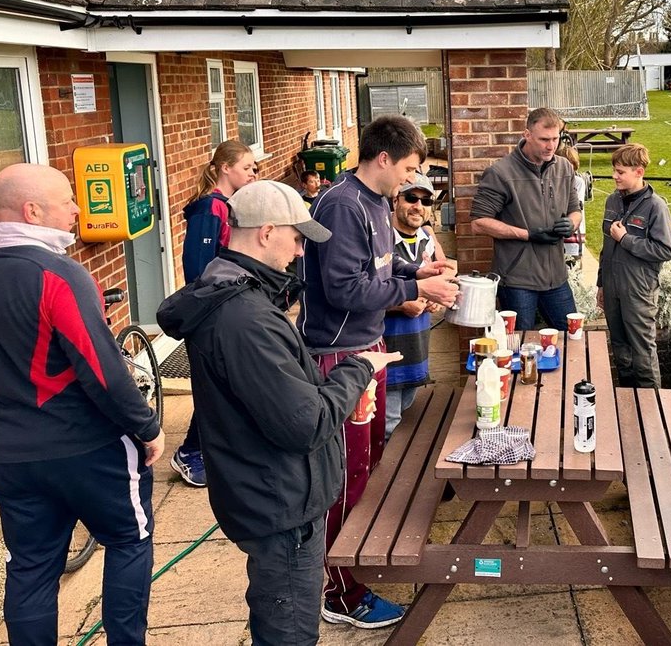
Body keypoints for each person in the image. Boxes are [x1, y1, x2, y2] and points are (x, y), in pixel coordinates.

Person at [157, 181, 401, 646]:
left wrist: (337, 393)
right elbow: (303, 424)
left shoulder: (243, 297)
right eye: (297, 236)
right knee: (288, 631)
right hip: (280, 503)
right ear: (267, 232)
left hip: (273, 490)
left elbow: (283, 398)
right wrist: (358, 370)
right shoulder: (244, 317)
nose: (301, 248)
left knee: (281, 617)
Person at [0, 164, 164, 646]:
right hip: (88, 447)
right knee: (129, 541)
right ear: (32, 211)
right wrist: (146, 426)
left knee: (29, 567)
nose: (76, 209)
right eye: (67, 199)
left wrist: (0, 402)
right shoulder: (59, 274)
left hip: (8, 453)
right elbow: (103, 368)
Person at [298, 115, 458, 629]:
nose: (413, 181)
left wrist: (417, 271)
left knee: (369, 468)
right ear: (383, 159)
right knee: (344, 477)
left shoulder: (371, 201)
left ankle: (357, 564)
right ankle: (338, 592)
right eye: (409, 169)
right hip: (340, 355)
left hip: (369, 349)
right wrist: (417, 292)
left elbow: (378, 269)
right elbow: (345, 289)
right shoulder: (344, 205)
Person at [172, 139, 256, 487]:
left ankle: (215, 450)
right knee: (214, 386)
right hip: (209, 313)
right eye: (248, 167)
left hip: (226, 310)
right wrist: (216, 308)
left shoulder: (226, 205)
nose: (253, 173)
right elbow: (198, 271)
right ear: (225, 168)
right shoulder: (210, 209)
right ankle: (190, 452)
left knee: (230, 383)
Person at [470, 107, 581, 331]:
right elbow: (478, 223)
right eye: (544, 139)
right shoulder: (501, 173)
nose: (551, 146)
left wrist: (571, 223)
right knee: (517, 343)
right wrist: (528, 235)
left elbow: (575, 210)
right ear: (527, 135)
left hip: (556, 276)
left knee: (573, 334)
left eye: (556, 138)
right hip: (517, 279)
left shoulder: (564, 168)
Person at [594, 143, 671, 387]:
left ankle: (652, 409)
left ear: (638, 172)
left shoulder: (655, 207)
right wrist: (601, 284)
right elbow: (606, 247)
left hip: (639, 291)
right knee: (620, 348)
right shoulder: (612, 201)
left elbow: (664, 250)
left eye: (620, 172)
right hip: (612, 287)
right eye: (614, 170)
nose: (614, 176)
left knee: (642, 351)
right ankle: (627, 404)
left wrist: (626, 239)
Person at [383, 172, 450, 439]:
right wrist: (401, 305)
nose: (418, 206)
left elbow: (441, 276)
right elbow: (356, 294)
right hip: (386, 350)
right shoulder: (380, 238)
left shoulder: (426, 236)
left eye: (425, 201)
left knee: (404, 412)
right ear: (396, 199)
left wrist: (433, 299)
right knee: (388, 427)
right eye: (411, 197)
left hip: (416, 348)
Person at [556, 141, 588, 267]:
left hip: (573, 237)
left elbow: (575, 206)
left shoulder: (578, 182)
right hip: (558, 238)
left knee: (573, 270)